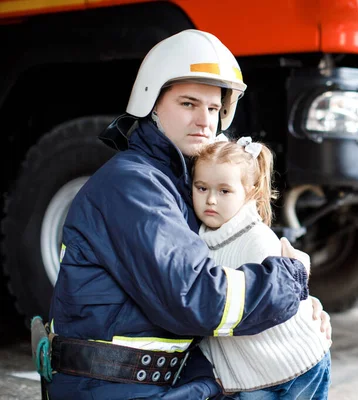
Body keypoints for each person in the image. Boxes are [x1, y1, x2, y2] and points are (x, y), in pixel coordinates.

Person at [46, 29, 331, 400]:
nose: (204, 121)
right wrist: (288, 283)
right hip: (115, 389)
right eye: (188, 104)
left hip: (161, 382)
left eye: (213, 108)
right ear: (151, 103)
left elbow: (235, 251)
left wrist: (301, 308)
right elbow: (197, 297)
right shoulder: (133, 185)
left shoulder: (187, 185)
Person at [192, 137, 332, 399]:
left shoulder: (256, 239)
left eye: (224, 191)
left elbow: (281, 297)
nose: (211, 200)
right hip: (250, 376)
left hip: (298, 366)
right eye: (201, 188)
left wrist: (310, 301)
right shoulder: (198, 238)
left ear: (250, 192)